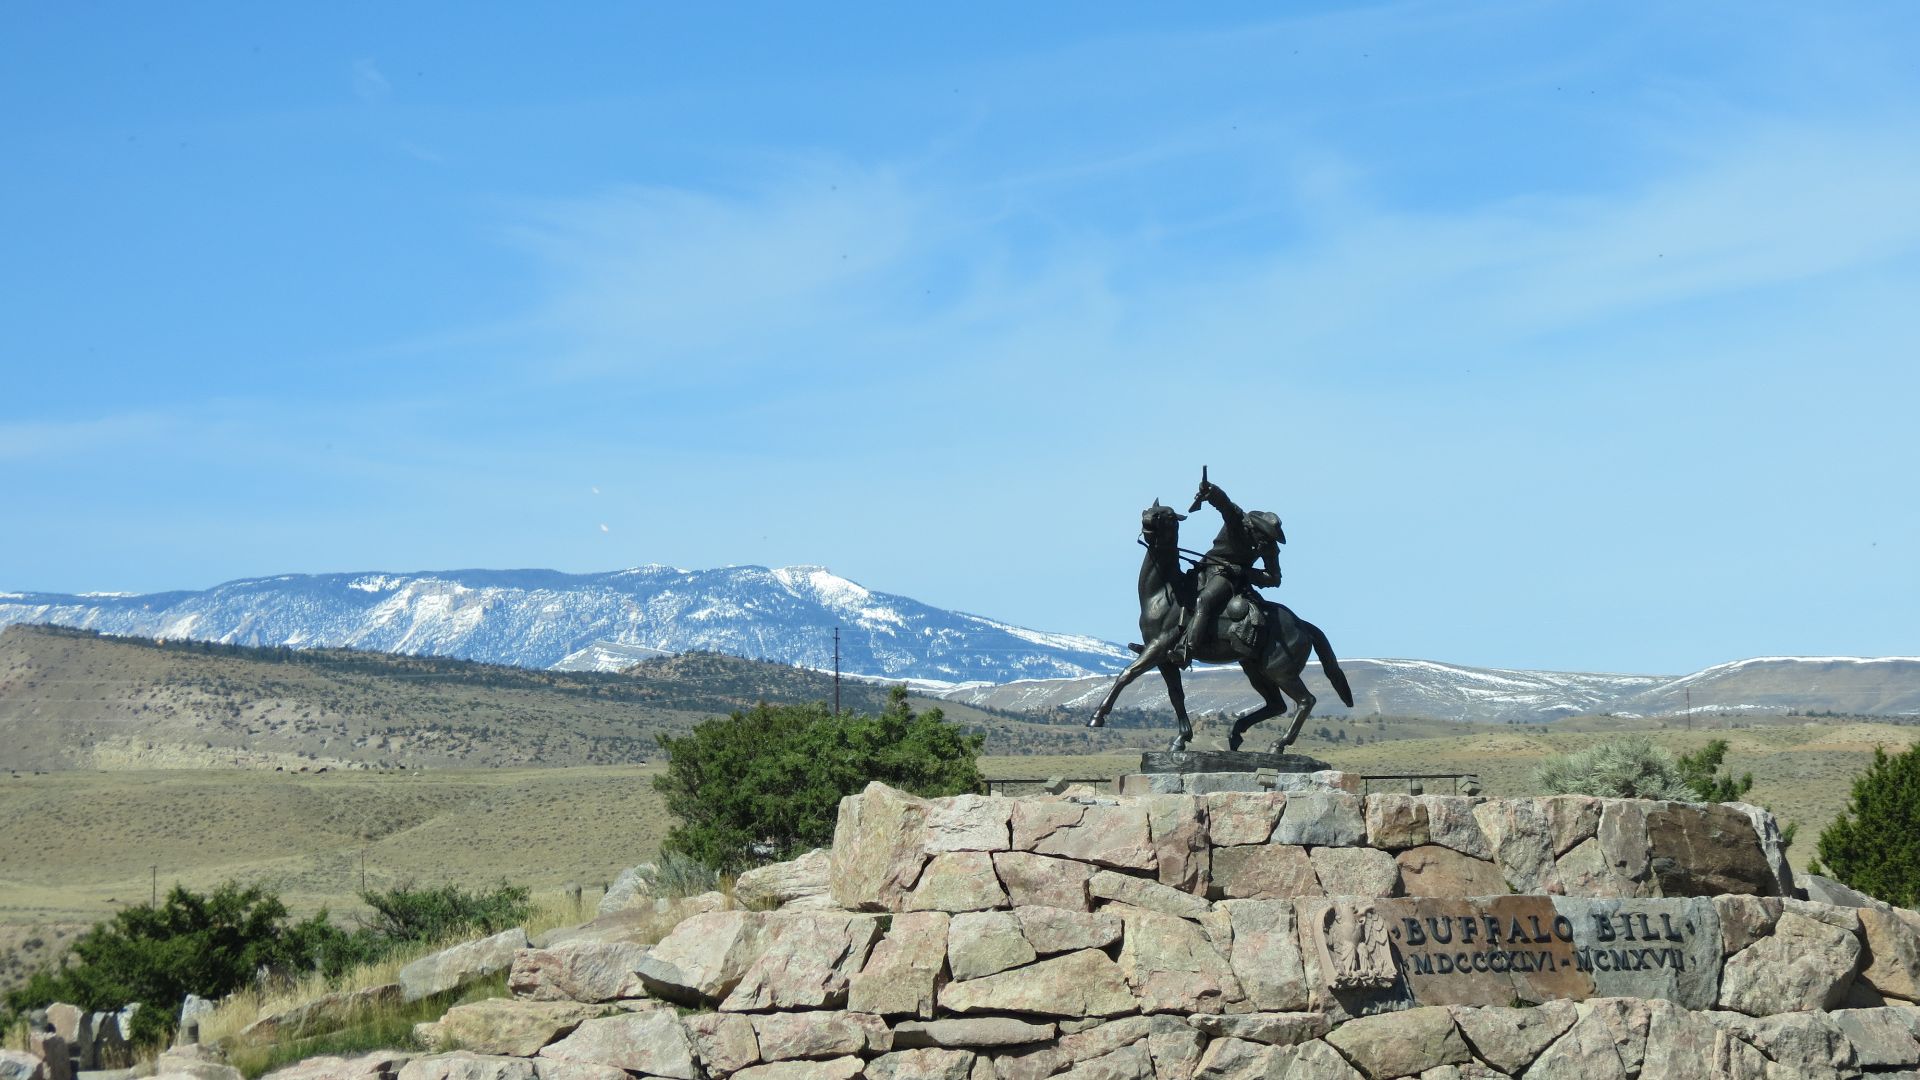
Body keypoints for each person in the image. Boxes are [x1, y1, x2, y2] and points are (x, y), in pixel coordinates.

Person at [1169, 474, 1283, 668]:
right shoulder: (1238, 521)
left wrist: (1244, 572)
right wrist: (1210, 490)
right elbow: (1224, 503)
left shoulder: (1269, 547)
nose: (1264, 541)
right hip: (1207, 566)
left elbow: (1273, 578)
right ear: (1255, 527)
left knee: (1203, 600)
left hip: (1229, 578)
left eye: (1268, 538)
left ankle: (1187, 649)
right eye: (1263, 535)